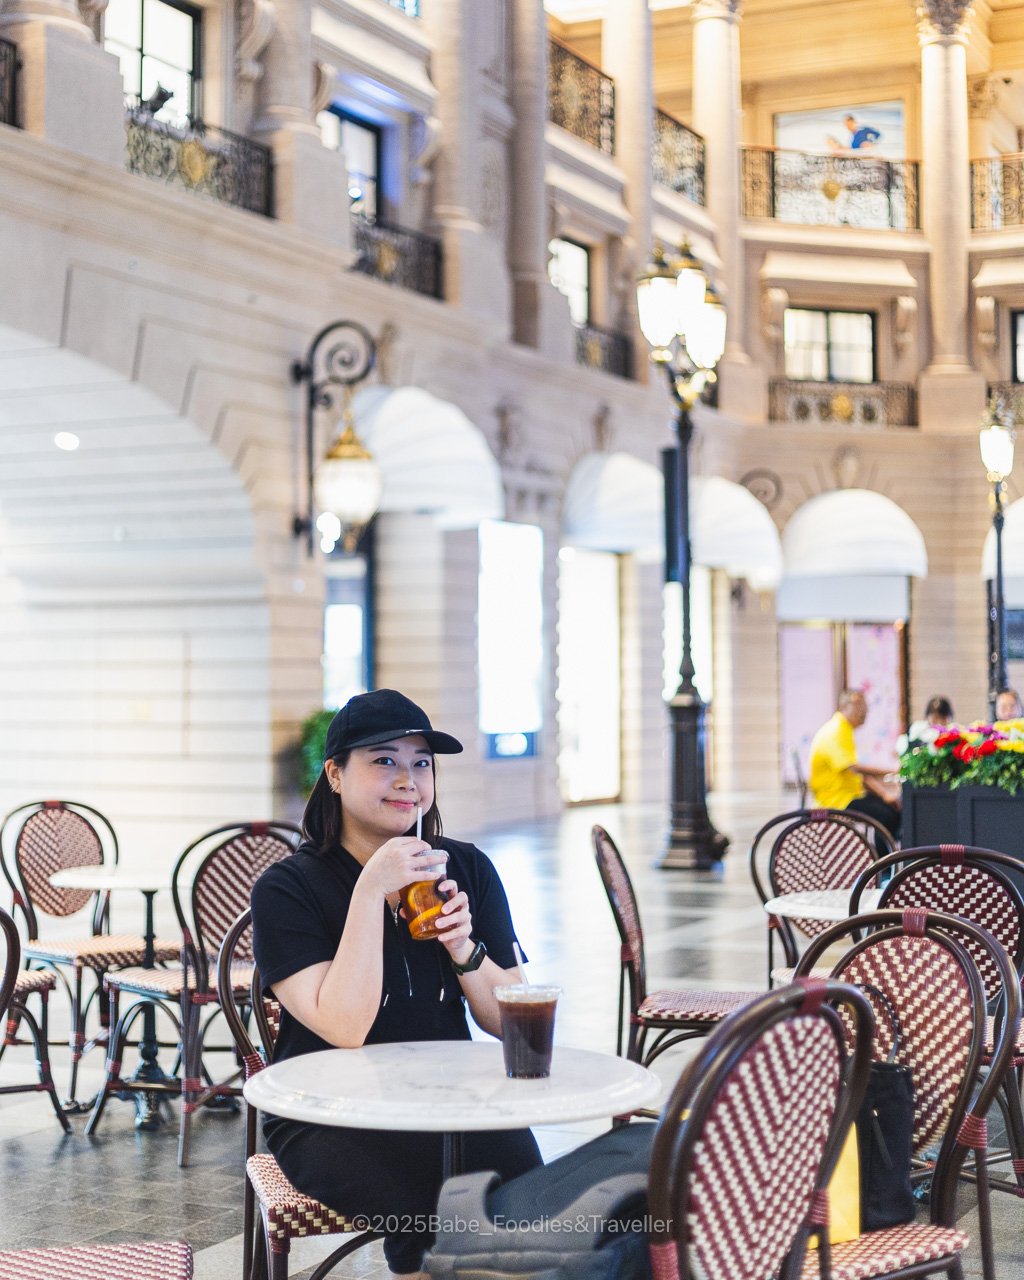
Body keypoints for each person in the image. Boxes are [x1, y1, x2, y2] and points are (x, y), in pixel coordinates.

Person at [250, 689, 542, 1279]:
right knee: (428, 1215)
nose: (408, 779)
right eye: (384, 760)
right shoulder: (287, 888)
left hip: (445, 1097)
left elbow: (510, 1019)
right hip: (326, 1113)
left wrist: (464, 948)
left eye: (421, 763)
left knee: (530, 1202)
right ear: (334, 774)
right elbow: (344, 1027)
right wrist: (370, 891)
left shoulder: (466, 867)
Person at [808, 689, 900, 844]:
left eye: (865, 706)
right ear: (844, 707)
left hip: (847, 795)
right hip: (835, 800)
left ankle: (886, 855)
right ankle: (884, 859)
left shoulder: (844, 730)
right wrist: (892, 772)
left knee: (892, 809)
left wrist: (883, 794)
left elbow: (856, 775)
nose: (864, 711)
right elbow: (854, 768)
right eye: (858, 706)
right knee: (887, 816)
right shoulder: (836, 731)